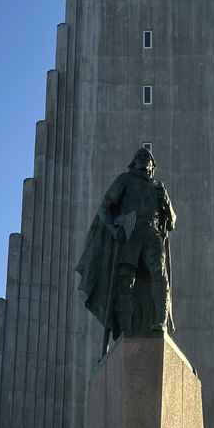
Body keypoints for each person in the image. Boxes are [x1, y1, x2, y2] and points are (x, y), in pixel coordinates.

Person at [76, 147, 176, 349]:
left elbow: (172, 222)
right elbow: (104, 208)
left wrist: (165, 200)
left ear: (152, 165)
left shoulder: (158, 187)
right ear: (133, 162)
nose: (142, 158)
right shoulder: (125, 180)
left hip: (152, 234)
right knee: (124, 283)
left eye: (146, 156)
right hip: (130, 234)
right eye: (138, 156)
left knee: (159, 274)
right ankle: (125, 329)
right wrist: (113, 230)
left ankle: (161, 322)